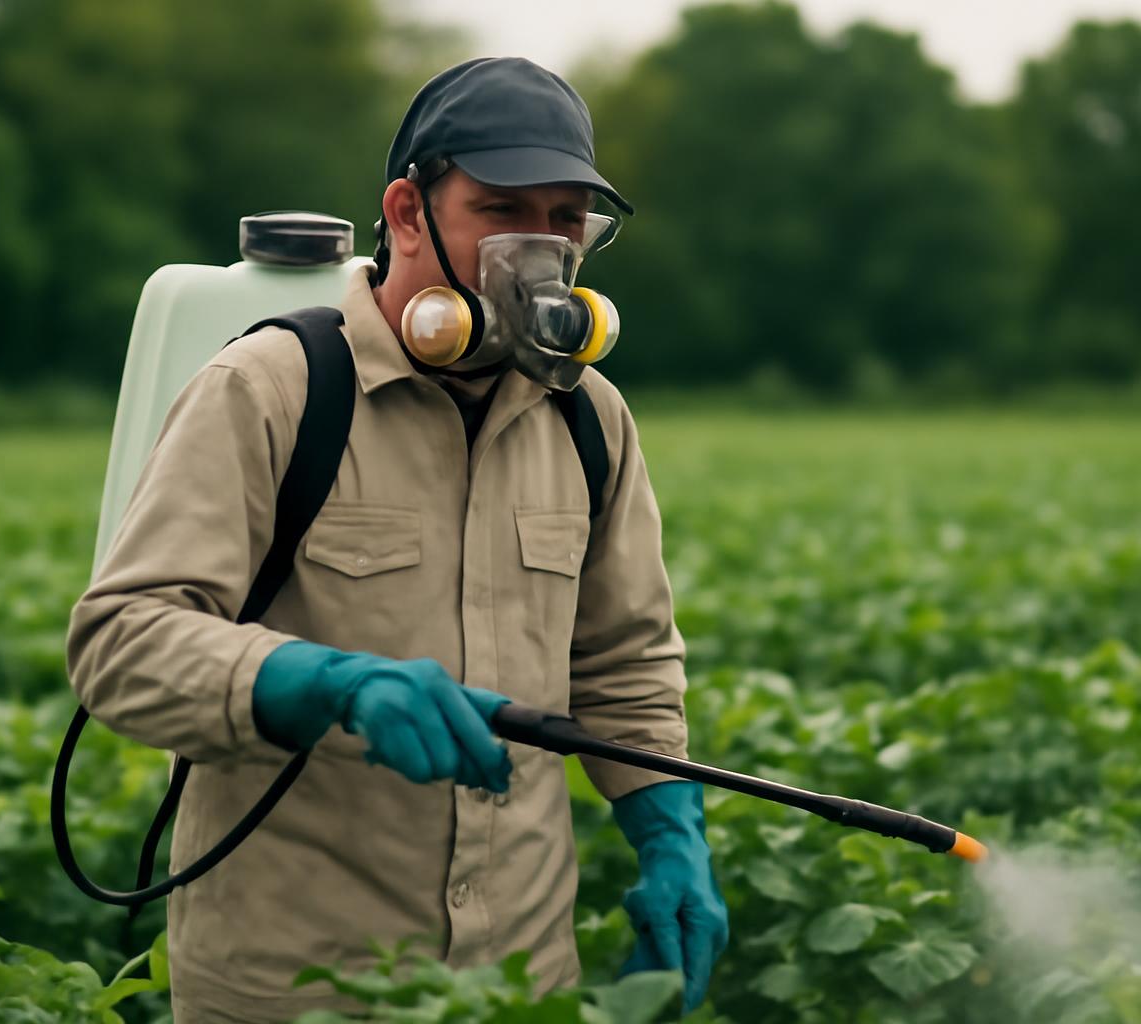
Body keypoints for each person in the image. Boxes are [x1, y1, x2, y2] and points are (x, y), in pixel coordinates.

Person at [66, 57, 728, 1023]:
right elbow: (120, 641)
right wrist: (322, 682)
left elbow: (624, 661)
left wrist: (673, 837)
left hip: (518, 984)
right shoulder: (273, 390)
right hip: (298, 985)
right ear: (409, 214)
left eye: (565, 217)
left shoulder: (589, 419)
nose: (540, 249)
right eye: (502, 210)